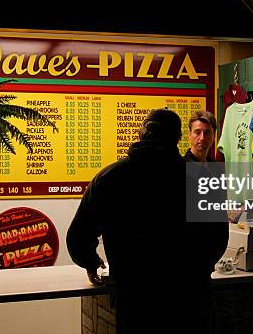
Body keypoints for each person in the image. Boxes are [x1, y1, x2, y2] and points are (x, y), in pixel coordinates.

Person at [67, 108, 228, 333]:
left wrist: (90, 262)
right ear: (179, 138)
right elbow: (218, 237)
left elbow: (79, 233)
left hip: (135, 298)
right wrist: (199, 268)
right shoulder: (201, 178)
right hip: (190, 297)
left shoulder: (110, 177)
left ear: (142, 135)